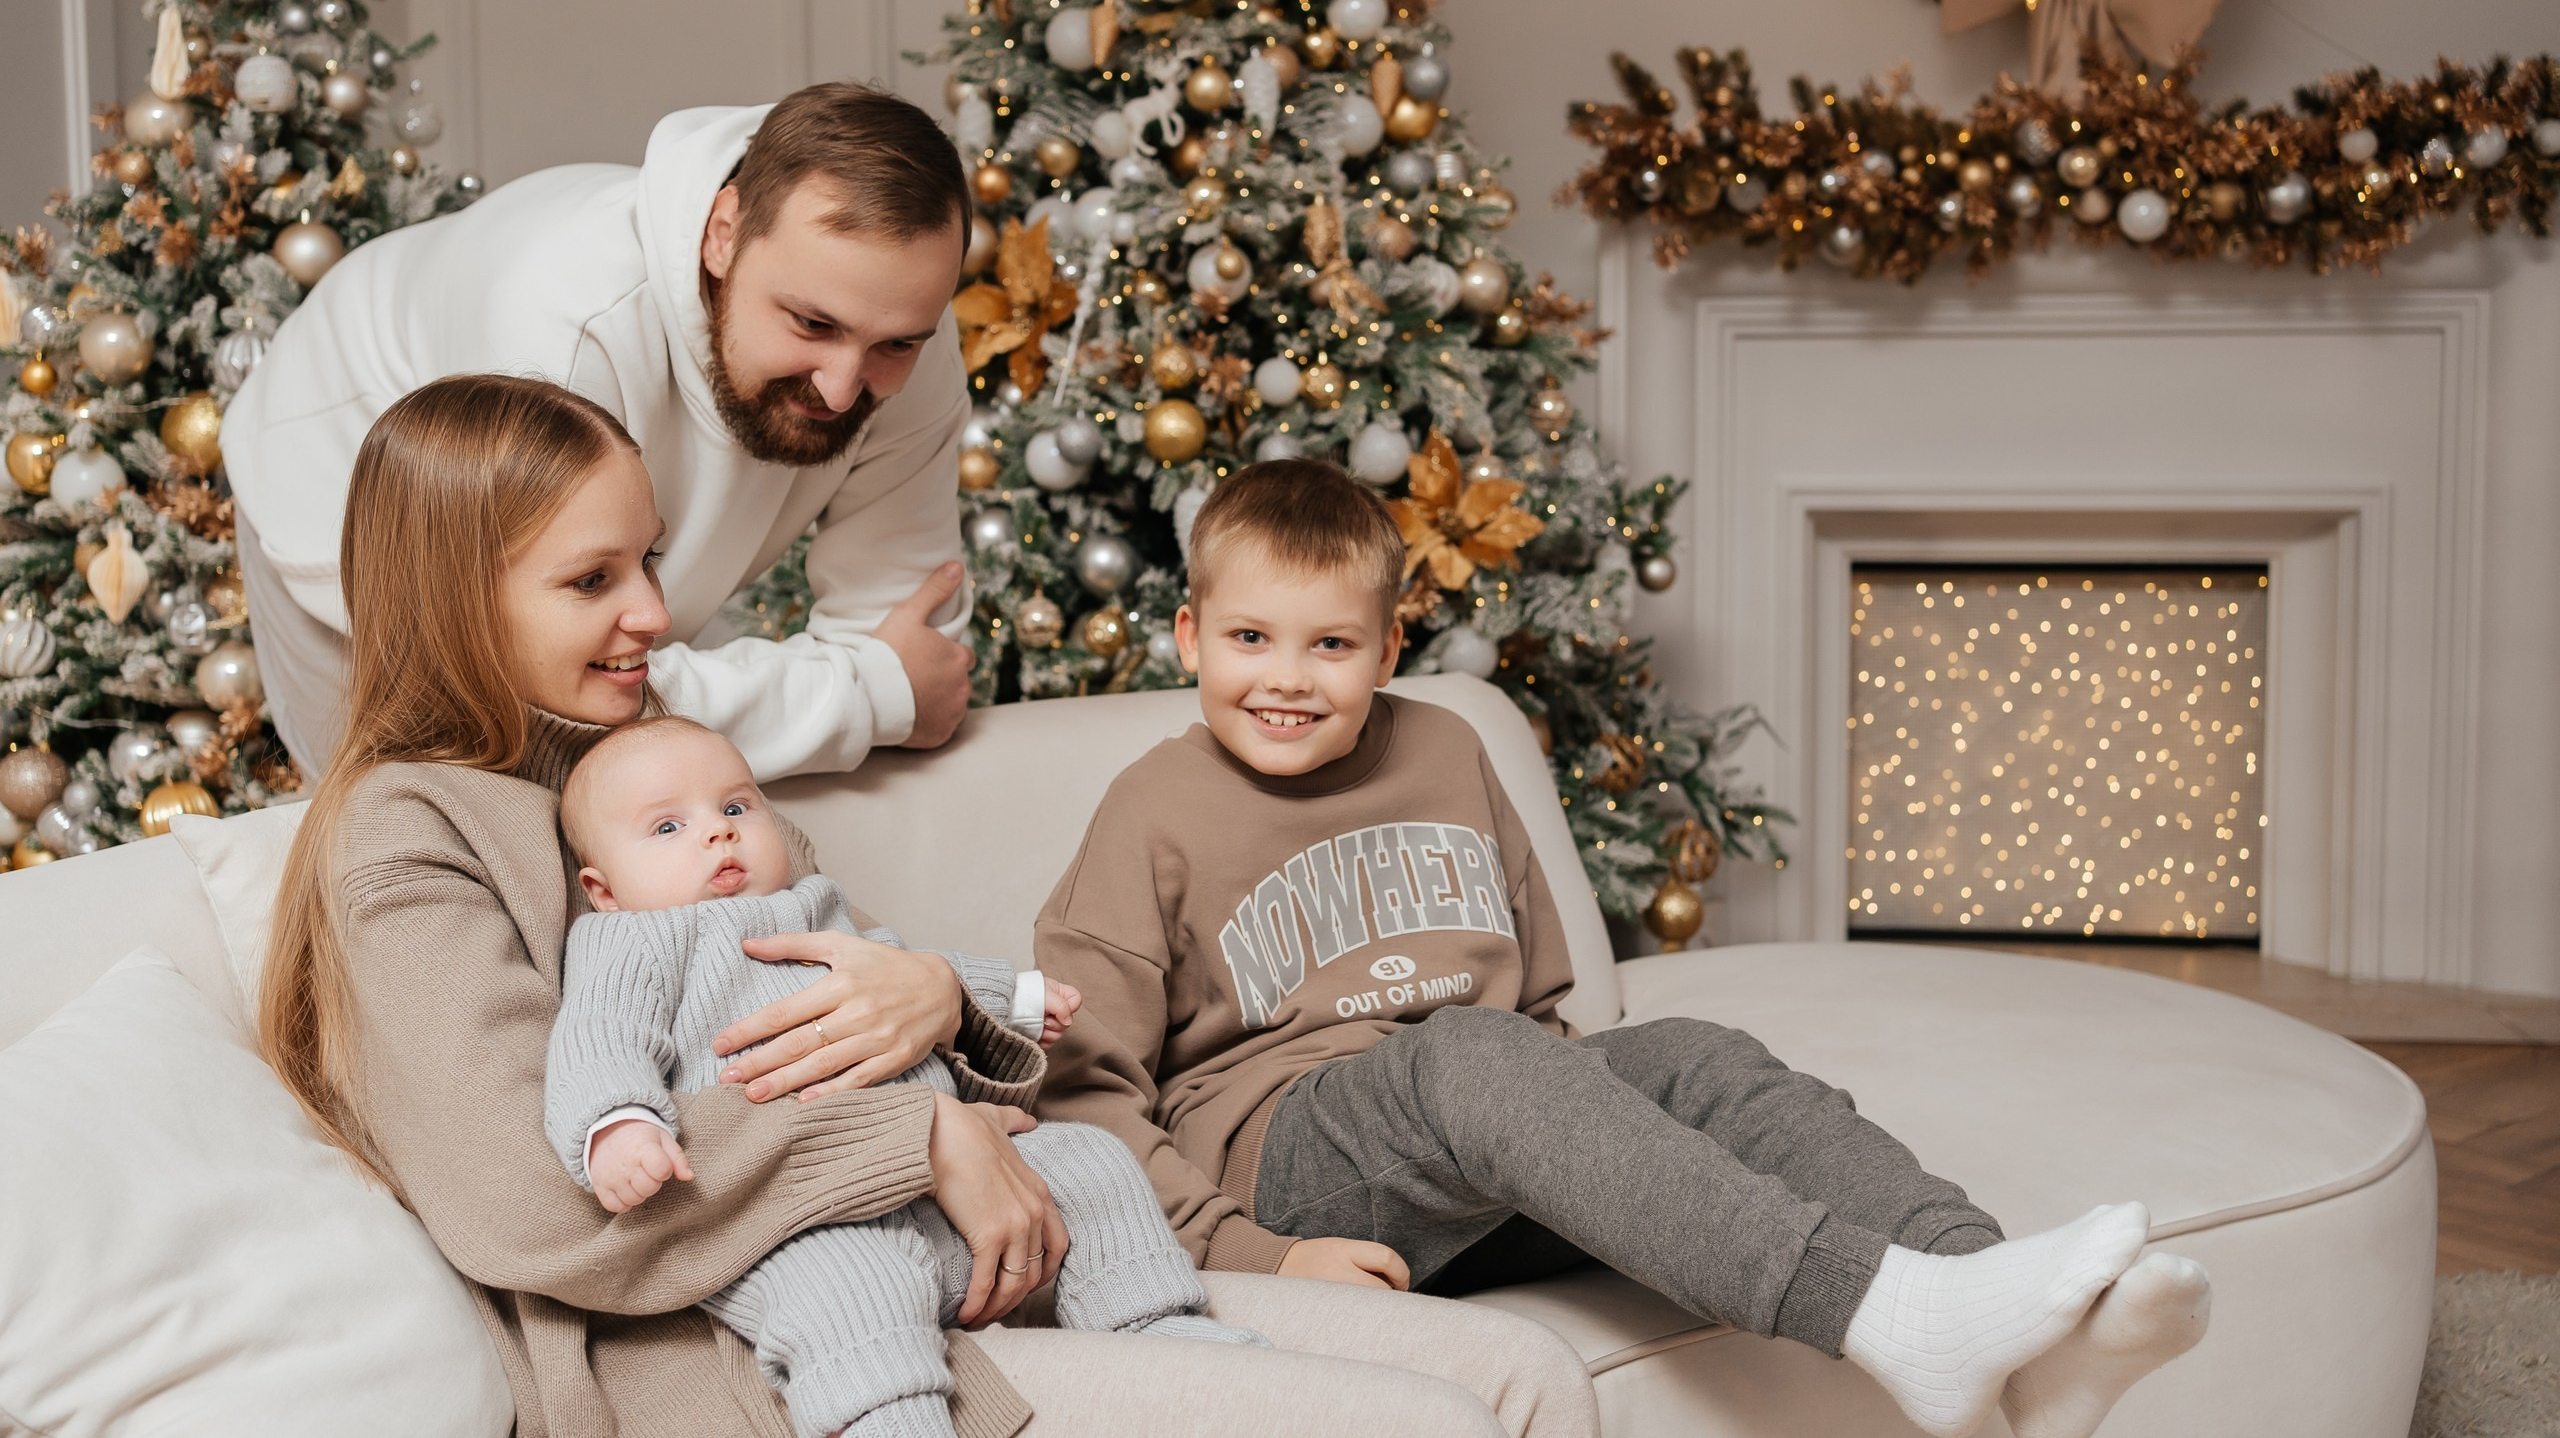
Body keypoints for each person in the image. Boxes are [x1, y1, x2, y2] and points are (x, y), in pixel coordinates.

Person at [257, 374, 1601, 1438]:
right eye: (592, 579)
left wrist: (949, 1003)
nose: (656, 614)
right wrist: (922, 1140)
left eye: (650, 561)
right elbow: (534, 1196)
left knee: (1529, 1374)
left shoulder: (656, 768)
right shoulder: (403, 833)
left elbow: (853, 991)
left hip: (988, 1253)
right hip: (774, 1353)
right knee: (1435, 1421)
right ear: (455, 590)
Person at [1033, 458, 2215, 1438]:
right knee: (1473, 1055)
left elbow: (1543, 996)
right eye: (1250, 638)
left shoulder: (1445, 750)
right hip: (1292, 1155)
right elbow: (1084, 1093)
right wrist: (1255, 1256)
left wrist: (1590, 1149)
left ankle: (2008, 1317)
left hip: (1479, 1128)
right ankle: (1893, 1317)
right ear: (1190, 637)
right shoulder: (1150, 810)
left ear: (1389, 648)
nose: (1286, 679)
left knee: (1693, 1054)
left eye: (1330, 646)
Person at [229, 81, 980, 784]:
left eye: (896, 345)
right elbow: (536, 691)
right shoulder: (558, 334)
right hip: (337, 473)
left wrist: (872, 682)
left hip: (569, 574)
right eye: (811, 323)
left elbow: (910, 645)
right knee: (430, 827)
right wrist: (865, 696)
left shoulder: (902, 323)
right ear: (724, 234)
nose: (843, 386)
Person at [547, 714, 1263, 1438]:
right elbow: (599, 1043)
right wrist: (618, 1123)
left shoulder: (815, 904)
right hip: (807, 1219)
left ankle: (1151, 1317)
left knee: (1087, 1159)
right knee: (853, 1291)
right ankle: (891, 1420)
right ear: (603, 888)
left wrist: (1007, 997)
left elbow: (909, 969)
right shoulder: (629, 941)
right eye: (668, 828)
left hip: (953, 1197)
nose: (717, 832)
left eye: (735, 807)